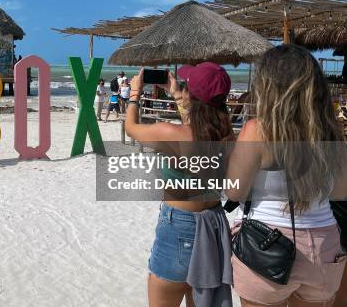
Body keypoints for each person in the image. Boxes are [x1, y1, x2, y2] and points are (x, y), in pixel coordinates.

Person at [225, 44, 347, 307]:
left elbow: (235, 191)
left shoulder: (258, 130)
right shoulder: (330, 132)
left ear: (267, 87)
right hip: (323, 244)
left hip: (265, 243)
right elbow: (340, 191)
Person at [125, 63, 234, 307]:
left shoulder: (170, 132)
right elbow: (199, 128)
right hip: (213, 224)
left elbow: (131, 128)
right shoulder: (227, 136)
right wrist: (176, 93)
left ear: (191, 95)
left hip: (179, 225)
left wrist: (135, 94)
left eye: (186, 86)